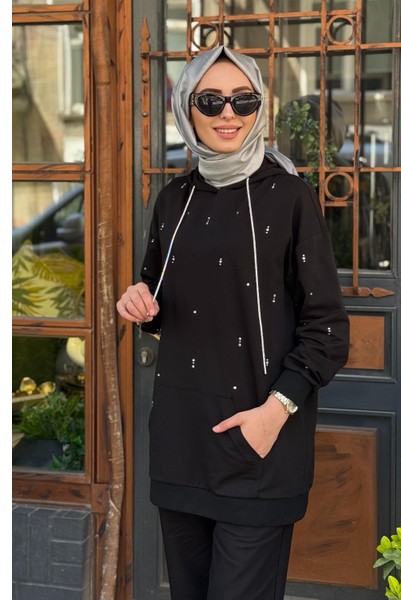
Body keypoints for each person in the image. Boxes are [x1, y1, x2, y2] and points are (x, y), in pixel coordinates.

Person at [117, 45, 350, 600]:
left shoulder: (289, 197)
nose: (228, 113)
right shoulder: (173, 200)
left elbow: (327, 329)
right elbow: (159, 303)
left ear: (259, 107)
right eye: (211, 101)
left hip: (259, 446)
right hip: (182, 445)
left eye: (243, 100)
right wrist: (138, 304)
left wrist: (274, 413)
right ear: (186, 108)